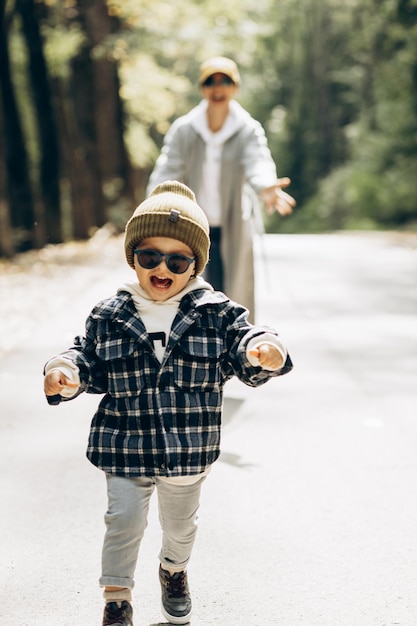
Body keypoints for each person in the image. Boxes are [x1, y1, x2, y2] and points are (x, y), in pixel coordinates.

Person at [43, 180, 293, 626]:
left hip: (188, 447)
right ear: (133, 259)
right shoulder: (111, 314)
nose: (163, 268)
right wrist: (65, 373)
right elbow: (85, 356)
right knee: (122, 521)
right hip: (124, 444)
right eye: (149, 257)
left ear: (195, 265)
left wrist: (264, 349)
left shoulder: (215, 312)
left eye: (178, 259)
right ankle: (116, 598)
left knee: (180, 528)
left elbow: (244, 339)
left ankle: (173, 571)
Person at [147, 56, 296, 322]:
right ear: (202, 88)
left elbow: (257, 160)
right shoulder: (185, 129)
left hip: (233, 225)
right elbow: (167, 170)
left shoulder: (247, 129)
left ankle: (238, 356)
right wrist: (151, 207)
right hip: (191, 226)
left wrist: (265, 186)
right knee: (189, 295)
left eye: (225, 81)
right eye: (211, 82)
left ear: (234, 87)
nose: (218, 88)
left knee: (233, 296)